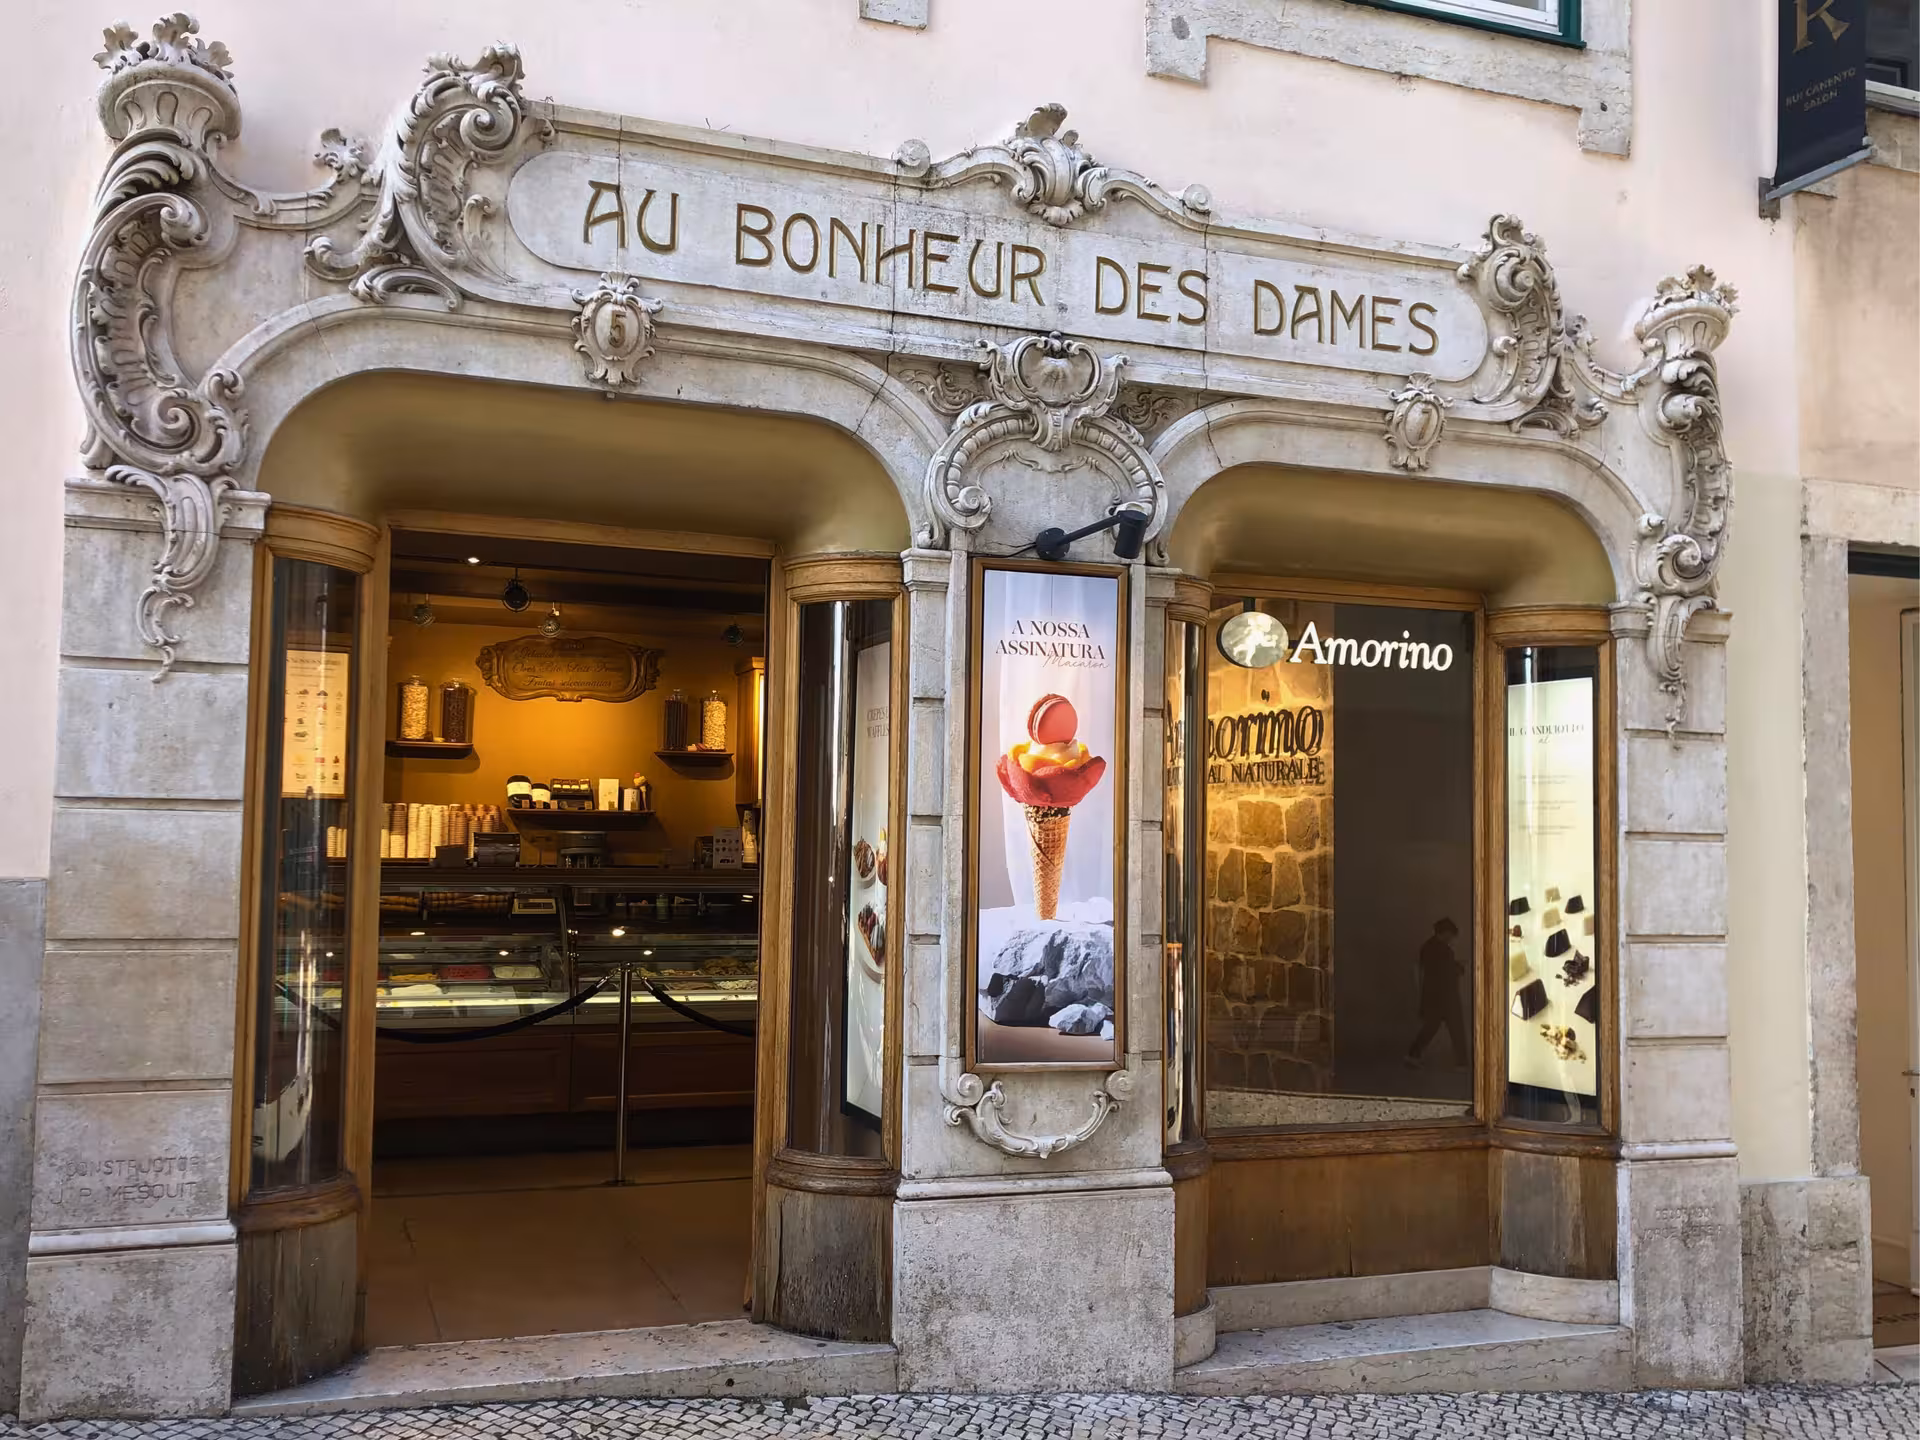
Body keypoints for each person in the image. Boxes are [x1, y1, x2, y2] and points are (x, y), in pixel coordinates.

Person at [1405, 917, 1467, 1068]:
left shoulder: (1427, 947)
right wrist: (1460, 968)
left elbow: (1430, 970)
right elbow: (1447, 972)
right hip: (1446, 997)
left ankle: (1413, 1055)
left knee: (1431, 1027)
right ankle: (1462, 1062)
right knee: (1456, 1029)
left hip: (1433, 996)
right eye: (1451, 935)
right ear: (1445, 933)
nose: (1452, 938)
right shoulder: (1443, 950)